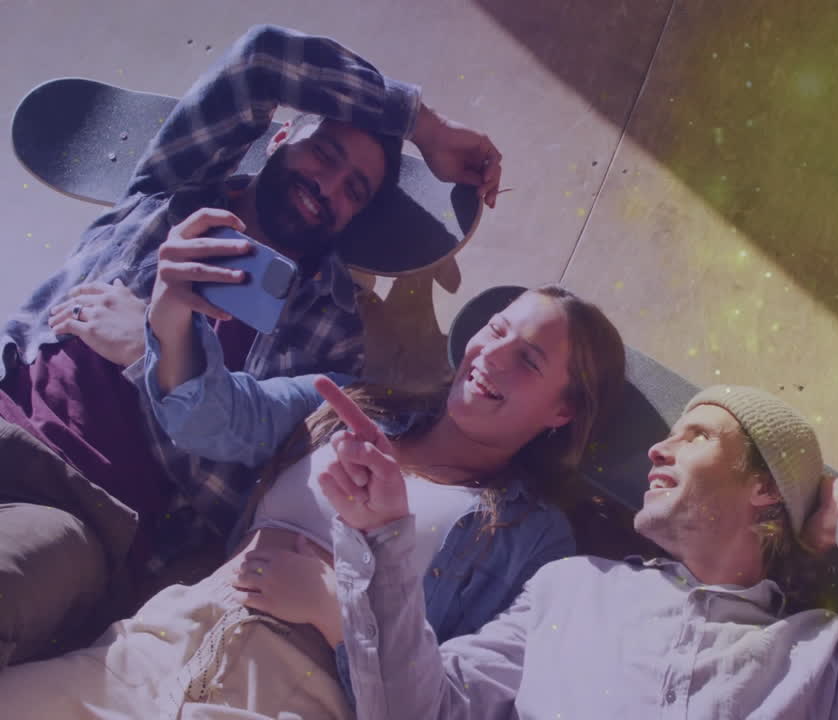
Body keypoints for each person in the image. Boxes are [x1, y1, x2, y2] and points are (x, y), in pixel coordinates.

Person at [0, 23, 503, 668]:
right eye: (326, 155)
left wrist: (149, 351)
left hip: (85, 515)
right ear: (283, 136)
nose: (329, 187)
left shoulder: (330, 336)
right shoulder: (177, 187)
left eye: (355, 190)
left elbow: (235, 494)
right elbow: (265, 57)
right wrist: (423, 127)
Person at [0, 280, 627, 718]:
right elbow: (224, 416)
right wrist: (167, 319)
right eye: (494, 330)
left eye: (528, 360)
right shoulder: (353, 404)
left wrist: (338, 612)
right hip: (157, 642)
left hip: (286, 696)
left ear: (562, 411)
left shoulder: (536, 538)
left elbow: (444, 705)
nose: (491, 356)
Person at [317, 385, 838, 720]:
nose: (658, 447)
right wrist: (383, 540)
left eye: (697, 435)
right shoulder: (567, 590)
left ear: (765, 489)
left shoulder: (830, 663)